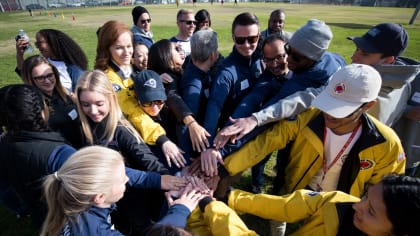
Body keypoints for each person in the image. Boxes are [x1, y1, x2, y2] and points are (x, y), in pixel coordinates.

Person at [220, 64, 405, 199]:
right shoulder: (309, 116)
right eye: (329, 103)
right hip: (298, 192)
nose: (329, 114)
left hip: (344, 209)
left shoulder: (387, 144)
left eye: (341, 110)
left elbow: (384, 194)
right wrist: (224, 168)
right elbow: (266, 142)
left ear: (368, 106)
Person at [40, 146, 189, 236]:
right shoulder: (97, 232)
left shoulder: (75, 193)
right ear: (99, 197)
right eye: (122, 179)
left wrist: (159, 180)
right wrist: (180, 210)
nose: (127, 179)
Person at [223, 174, 420, 236]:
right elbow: (285, 206)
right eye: (365, 196)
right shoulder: (339, 203)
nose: (357, 206)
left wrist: (212, 209)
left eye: (371, 211)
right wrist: (228, 198)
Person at [0, 84, 76, 228]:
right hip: (73, 219)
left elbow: (4, 188)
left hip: (41, 217)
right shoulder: (61, 153)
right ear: (41, 112)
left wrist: (22, 208)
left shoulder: (3, 144)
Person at [202, 12, 262, 148]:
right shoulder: (226, 73)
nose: (247, 45)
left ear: (259, 36)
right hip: (233, 135)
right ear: (233, 38)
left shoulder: (260, 55)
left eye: (252, 39)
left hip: (256, 124)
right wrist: (209, 147)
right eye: (241, 40)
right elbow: (214, 106)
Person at [148, 39, 210, 163]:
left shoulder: (175, 72)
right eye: (176, 49)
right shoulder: (167, 78)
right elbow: (172, 96)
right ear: (166, 57)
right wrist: (191, 123)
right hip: (174, 146)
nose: (181, 50)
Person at [21, 55, 83, 148]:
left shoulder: (65, 93)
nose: (47, 81)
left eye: (50, 75)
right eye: (40, 78)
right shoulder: (34, 106)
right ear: (31, 80)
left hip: (81, 149)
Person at [132, 69, 187, 172]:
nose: (154, 108)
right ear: (137, 100)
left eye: (159, 101)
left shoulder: (172, 111)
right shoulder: (136, 122)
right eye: (147, 103)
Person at [179, 29, 219, 159]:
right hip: (196, 151)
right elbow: (185, 125)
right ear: (213, 55)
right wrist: (187, 160)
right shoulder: (193, 85)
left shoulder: (201, 72)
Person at [16, 29, 87, 91]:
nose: (37, 47)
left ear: (53, 43)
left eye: (39, 43)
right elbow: (25, 76)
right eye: (36, 43)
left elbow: (80, 97)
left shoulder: (74, 69)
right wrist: (20, 54)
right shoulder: (43, 62)